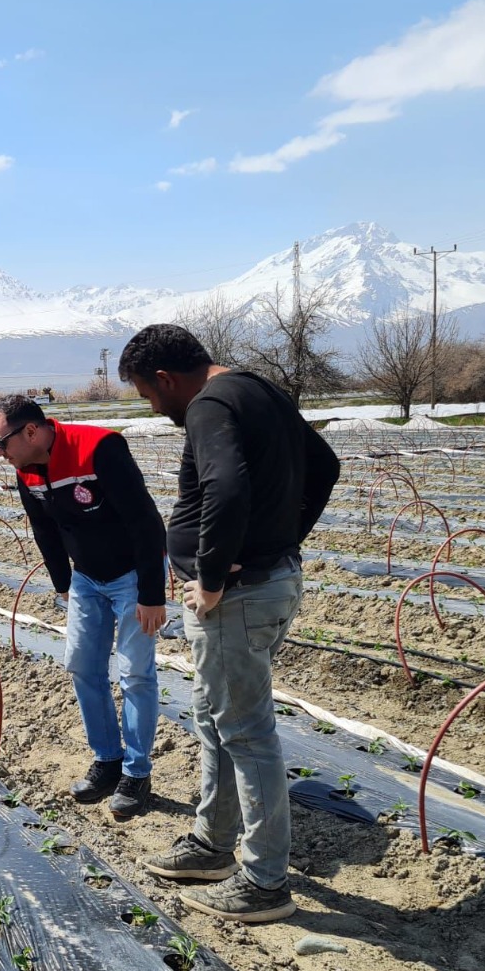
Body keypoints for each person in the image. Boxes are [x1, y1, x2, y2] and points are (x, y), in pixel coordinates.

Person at [120, 324, 340, 923]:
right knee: (214, 717)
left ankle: (265, 882)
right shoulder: (258, 390)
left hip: (235, 599)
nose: (152, 406)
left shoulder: (209, 404)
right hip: (265, 582)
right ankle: (211, 846)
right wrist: (280, 541)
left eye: (147, 394)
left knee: (245, 731)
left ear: (165, 379)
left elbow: (226, 486)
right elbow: (326, 465)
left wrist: (213, 577)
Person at [0, 394, 167, 820]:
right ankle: (107, 759)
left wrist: (151, 594)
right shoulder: (26, 468)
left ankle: (136, 772)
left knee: (135, 673)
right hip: (86, 577)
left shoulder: (99, 447)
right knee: (83, 666)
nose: (0, 453)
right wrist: (64, 584)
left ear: (31, 431)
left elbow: (145, 519)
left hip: (133, 576)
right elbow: (44, 528)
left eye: (2, 443)